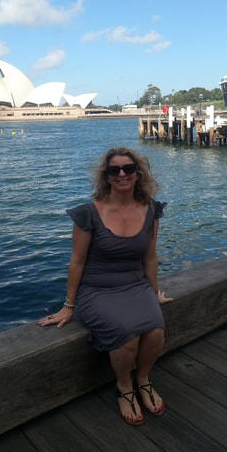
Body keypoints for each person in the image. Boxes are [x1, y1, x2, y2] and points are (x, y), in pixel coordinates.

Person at [38, 146, 173, 426]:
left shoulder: (150, 210)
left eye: (128, 168)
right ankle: (124, 386)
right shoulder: (89, 213)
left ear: (138, 174)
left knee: (156, 330)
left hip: (136, 285)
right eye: (115, 170)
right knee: (127, 334)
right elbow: (76, 261)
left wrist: (153, 292)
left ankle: (143, 379)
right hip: (97, 290)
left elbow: (150, 258)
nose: (122, 174)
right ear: (107, 176)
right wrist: (68, 306)